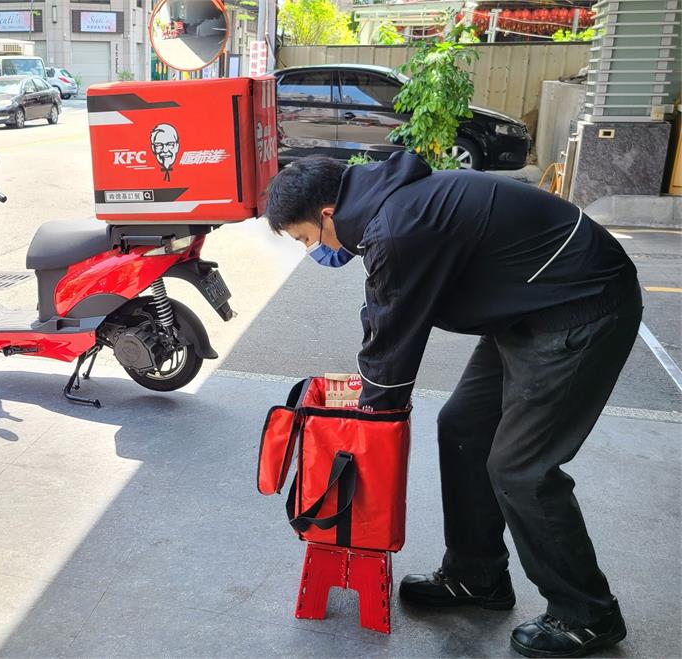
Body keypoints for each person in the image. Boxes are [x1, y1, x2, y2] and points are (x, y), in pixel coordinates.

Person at [264, 152, 641, 658]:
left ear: (328, 212)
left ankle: (587, 612)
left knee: (521, 470)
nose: (314, 251)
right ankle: (476, 576)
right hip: (526, 309)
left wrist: (366, 423)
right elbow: (386, 316)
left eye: (307, 238)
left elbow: (393, 334)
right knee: (462, 426)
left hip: (579, 307)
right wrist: (371, 402)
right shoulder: (384, 206)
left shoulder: (394, 227)